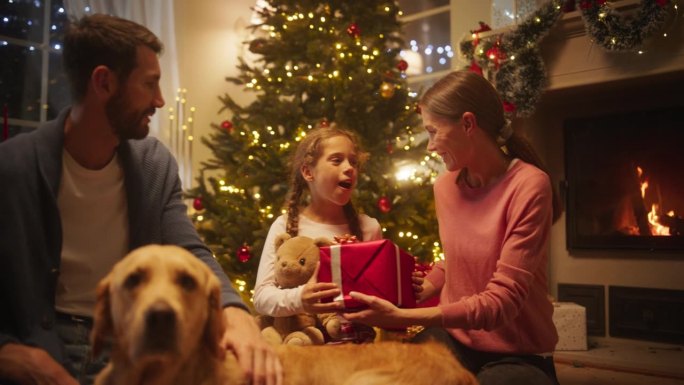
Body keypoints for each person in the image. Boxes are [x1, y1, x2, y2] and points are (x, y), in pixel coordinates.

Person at [0, 14, 281, 385]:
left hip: (130, 344)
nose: (160, 100)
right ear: (104, 82)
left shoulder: (154, 164)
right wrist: (10, 354)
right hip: (40, 347)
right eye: (150, 85)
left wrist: (234, 311)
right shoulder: (13, 167)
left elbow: (190, 249)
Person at [343, 70, 563, 385]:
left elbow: (502, 301)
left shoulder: (529, 185)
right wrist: (426, 287)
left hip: (519, 350)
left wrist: (405, 318)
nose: (430, 146)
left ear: (468, 124)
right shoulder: (445, 186)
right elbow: (457, 258)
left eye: (433, 131)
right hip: (455, 340)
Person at [253, 124, 382, 341]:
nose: (349, 167)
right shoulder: (284, 226)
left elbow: (380, 297)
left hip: (355, 348)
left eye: (353, 161)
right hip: (303, 344)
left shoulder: (369, 228)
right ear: (307, 172)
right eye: (337, 160)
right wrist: (300, 299)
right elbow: (262, 297)